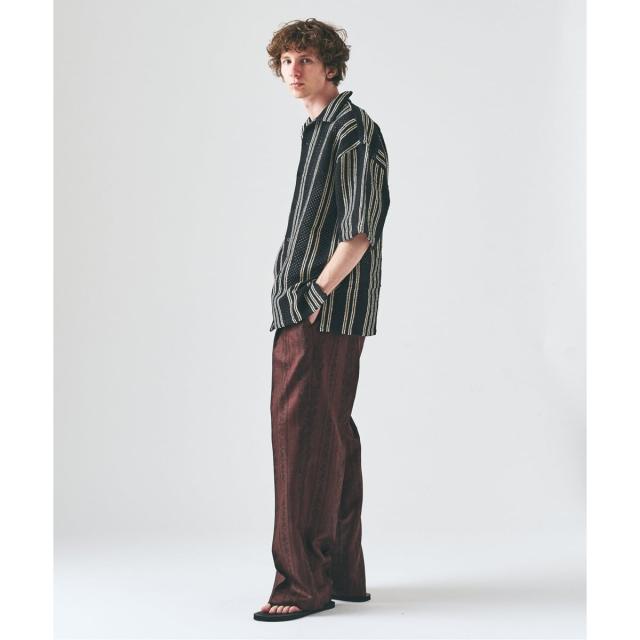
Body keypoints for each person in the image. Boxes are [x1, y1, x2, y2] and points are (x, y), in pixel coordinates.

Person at [254, 18, 390, 622]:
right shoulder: (320, 128)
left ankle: (300, 585)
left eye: (305, 59)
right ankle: (339, 575)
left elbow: (359, 229)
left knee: (302, 436)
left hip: (322, 311)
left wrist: (312, 293)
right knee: (330, 433)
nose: (294, 70)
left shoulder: (351, 129)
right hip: (312, 306)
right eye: (286, 60)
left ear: (331, 65)